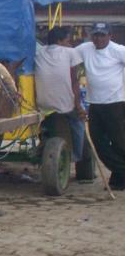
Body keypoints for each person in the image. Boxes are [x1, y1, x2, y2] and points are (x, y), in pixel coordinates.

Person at [75, 22, 125, 190]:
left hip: (116, 104)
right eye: (96, 34)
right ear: (91, 36)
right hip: (95, 104)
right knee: (98, 144)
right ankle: (121, 173)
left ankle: (119, 179)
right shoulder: (85, 49)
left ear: (110, 36)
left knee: (120, 143)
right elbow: (68, 56)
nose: (99, 38)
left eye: (102, 35)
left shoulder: (118, 51)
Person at [34, 26, 86, 165]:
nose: (69, 43)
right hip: (64, 104)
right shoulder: (70, 52)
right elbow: (74, 81)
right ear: (60, 40)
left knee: (45, 122)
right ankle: (76, 155)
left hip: (42, 103)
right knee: (78, 123)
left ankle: (43, 141)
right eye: (67, 40)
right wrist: (78, 105)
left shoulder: (39, 52)